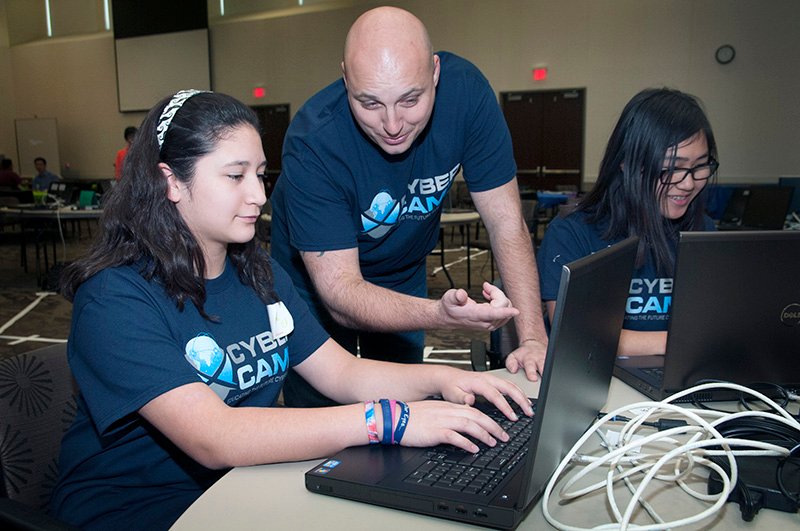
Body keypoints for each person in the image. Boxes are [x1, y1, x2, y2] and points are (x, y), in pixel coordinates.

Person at [50, 89, 533, 530]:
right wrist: (390, 420)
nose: (259, 196)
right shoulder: (115, 299)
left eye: (260, 175)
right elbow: (214, 437)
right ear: (171, 181)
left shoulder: (258, 273)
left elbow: (342, 373)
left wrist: (442, 380)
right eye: (235, 176)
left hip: (238, 489)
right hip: (137, 512)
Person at [270, 6, 548, 408]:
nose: (392, 124)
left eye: (410, 99)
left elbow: (506, 221)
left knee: (402, 405)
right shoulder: (313, 142)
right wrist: (440, 314)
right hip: (317, 283)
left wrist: (534, 338)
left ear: (434, 73)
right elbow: (340, 293)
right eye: (369, 103)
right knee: (322, 411)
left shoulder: (466, 95)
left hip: (401, 267)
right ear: (346, 79)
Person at [537, 88, 718, 356]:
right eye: (672, 168)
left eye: (700, 166)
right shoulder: (573, 233)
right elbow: (576, 335)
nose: (688, 183)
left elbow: (713, 322)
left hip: (681, 372)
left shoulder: (702, 230)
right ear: (627, 163)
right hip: (596, 376)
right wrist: (681, 343)